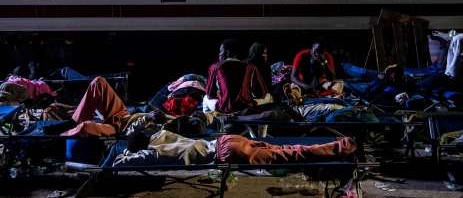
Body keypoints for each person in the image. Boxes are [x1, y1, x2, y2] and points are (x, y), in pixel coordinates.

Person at [116, 128, 357, 166]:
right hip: (226, 140)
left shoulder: (151, 153)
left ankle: (344, 147)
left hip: (226, 153)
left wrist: (127, 154)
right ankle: (342, 145)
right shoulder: (161, 134)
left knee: (291, 155)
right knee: (286, 147)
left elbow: (125, 162)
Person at [43, 76, 166, 136]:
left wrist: (146, 119)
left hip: (118, 130)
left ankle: (59, 137)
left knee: (85, 127)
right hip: (122, 115)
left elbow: (133, 135)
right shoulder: (173, 120)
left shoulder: (165, 134)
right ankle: (72, 121)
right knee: (98, 82)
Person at [203, 38, 272, 114]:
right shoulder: (251, 67)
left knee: (205, 98)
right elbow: (261, 94)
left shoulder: (215, 67)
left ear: (227, 53)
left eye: (220, 51)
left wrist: (223, 95)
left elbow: (210, 95)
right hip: (246, 107)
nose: (219, 54)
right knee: (269, 97)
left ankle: (210, 122)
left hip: (224, 108)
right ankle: (261, 124)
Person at [417, 33, 463, 104]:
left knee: (440, 78)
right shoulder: (461, 55)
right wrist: (450, 50)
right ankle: (419, 90)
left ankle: (414, 87)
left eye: (456, 43)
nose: (454, 46)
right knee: (428, 77)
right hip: (462, 82)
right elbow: (443, 66)